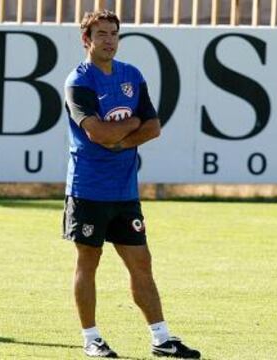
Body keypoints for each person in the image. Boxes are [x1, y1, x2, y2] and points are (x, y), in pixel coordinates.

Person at [63, 9, 201, 359]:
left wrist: (123, 138)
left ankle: (161, 338)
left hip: (125, 190)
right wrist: (131, 125)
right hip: (88, 187)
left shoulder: (131, 76)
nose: (109, 40)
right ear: (86, 40)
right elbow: (98, 133)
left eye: (113, 33)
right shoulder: (78, 82)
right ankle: (91, 339)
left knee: (141, 262)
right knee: (88, 263)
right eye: (101, 34)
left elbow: (152, 127)